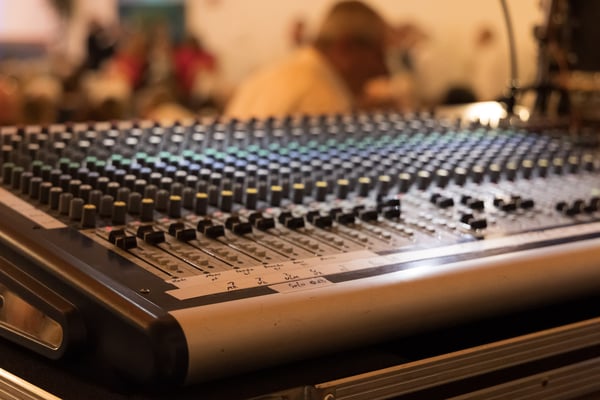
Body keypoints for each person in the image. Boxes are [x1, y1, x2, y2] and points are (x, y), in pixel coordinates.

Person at [224, 0, 390, 120]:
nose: (384, 70)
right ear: (346, 48)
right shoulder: (324, 100)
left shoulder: (275, 73)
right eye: (379, 55)